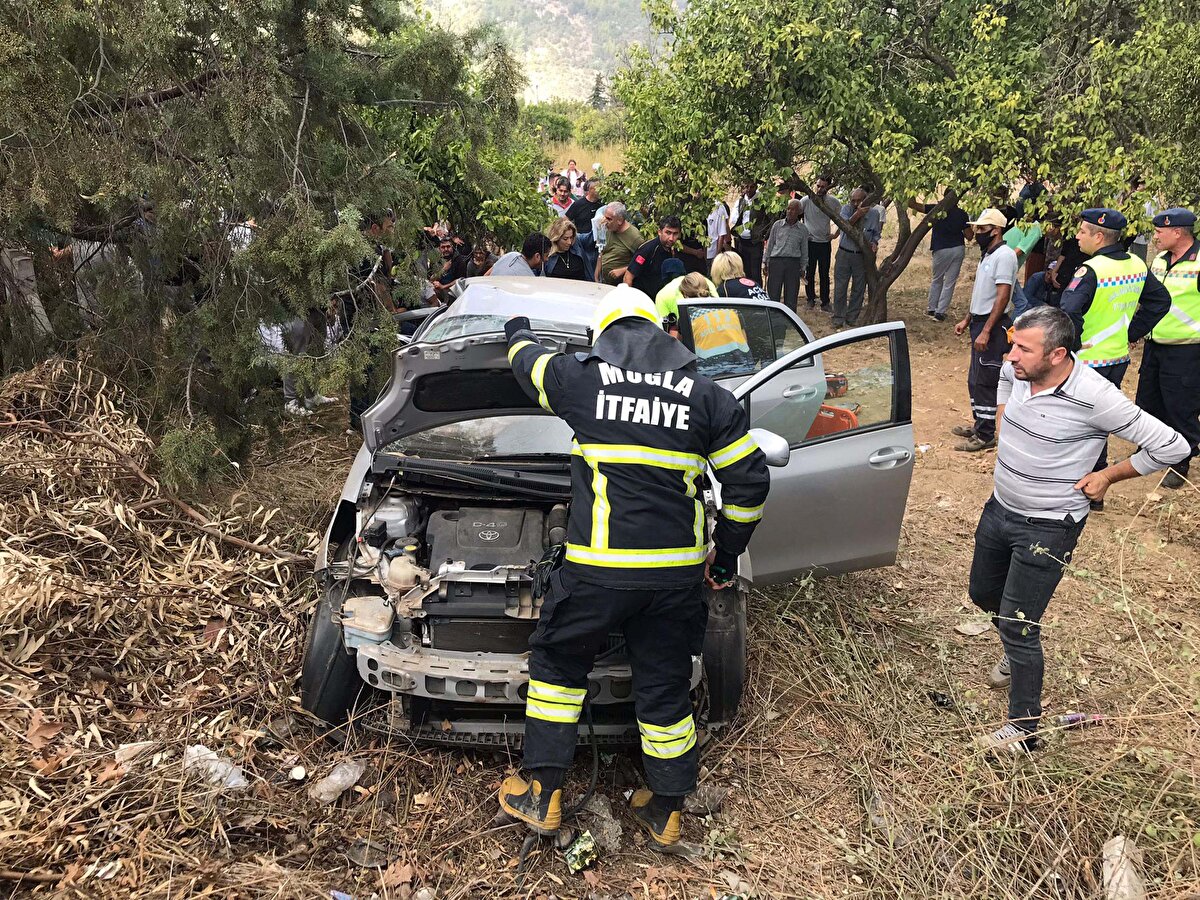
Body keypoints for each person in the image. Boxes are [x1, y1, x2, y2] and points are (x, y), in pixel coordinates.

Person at [498, 285, 770, 846]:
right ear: (661, 335)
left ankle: (543, 793)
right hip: (674, 579)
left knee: (557, 666)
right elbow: (748, 482)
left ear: (603, 338)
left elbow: (530, 366)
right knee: (664, 685)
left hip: (598, 573)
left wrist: (517, 331)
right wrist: (728, 550)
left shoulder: (583, 381)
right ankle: (665, 808)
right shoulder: (708, 398)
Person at [968, 306, 1188, 754]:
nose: (1010, 355)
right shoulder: (1019, 371)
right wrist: (1011, 409)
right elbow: (1009, 388)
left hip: (1048, 526)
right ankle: (1015, 655)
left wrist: (1108, 476)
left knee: (1019, 622)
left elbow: (1173, 444)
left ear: (1058, 354)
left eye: (1023, 349)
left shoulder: (1094, 395)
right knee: (982, 594)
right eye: (1012, 343)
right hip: (1000, 509)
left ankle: (1024, 729)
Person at [1058, 208, 1171, 499]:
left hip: (1086, 360)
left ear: (1099, 236)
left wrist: (1071, 344)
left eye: (1082, 231)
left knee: (1075, 422)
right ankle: (1096, 485)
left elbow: (1069, 310)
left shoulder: (1091, 270)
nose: (1077, 236)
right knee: (1099, 421)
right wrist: (1132, 333)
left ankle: (1078, 485)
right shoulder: (1136, 263)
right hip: (1117, 358)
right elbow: (1160, 300)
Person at [1136, 207, 1200, 489]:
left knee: (1181, 406)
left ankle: (1181, 461)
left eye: (1160, 232)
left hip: (1186, 349)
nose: (1155, 237)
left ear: (1178, 232)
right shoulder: (1160, 260)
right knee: (1148, 401)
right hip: (1154, 344)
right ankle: (1154, 451)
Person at [951, 208, 1018, 452]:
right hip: (979, 322)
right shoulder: (987, 254)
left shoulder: (1004, 255)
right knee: (975, 379)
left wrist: (987, 330)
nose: (977, 232)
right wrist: (968, 319)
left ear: (996, 230)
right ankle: (980, 423)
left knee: (987, 379)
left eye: (982, 229)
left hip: (992, 325)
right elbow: (982, 293)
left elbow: (1002, 296)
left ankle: (986, 433)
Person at [910, 194, 971, 322]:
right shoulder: (961, 214)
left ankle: (932, 308)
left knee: (937, 279)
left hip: (941, 248)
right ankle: (940, 312)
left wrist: (911, 192)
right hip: (958, 248)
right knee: (950, 282)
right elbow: (969, 235)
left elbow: (913, 205)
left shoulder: (937, 209)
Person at [832, 187, 882, 328]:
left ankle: (852, 318)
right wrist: (857, 214)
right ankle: (838, 317)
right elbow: (845, 225)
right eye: (853, 200)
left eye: (858, 201)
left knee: (858, 288)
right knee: (840, 287)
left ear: (866, 200)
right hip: (844, 253)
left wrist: (874, 243)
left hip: (861, 256)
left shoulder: (874, 214)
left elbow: (876, 233)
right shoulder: (846, 210)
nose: (855, 203)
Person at [801, 176, 840, 310]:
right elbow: (796, 216)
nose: (819, 189)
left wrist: (835, 234)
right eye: (818, 185)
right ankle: (810, 298)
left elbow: (843, 219)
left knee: (824, 273)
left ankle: (825, 302)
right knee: (809, 272)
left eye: (823, 186)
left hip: (824, 242)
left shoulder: (833, 202)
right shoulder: (806, 201)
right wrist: (803, 235)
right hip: (810, 243)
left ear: (828, 188)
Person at [764, 199, 810, 312]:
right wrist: (765, 261)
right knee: (773, 293)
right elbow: (770, 244)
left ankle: (790, 320)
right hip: (776, 261)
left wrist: (803, 267)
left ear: (799, 212)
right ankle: (773, 317)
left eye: (793, 209)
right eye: (788, 208)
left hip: (793, 263)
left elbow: (804, 250)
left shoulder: (803, 229)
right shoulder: (777, 225)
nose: (790, 211)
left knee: (791, 294)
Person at [625, 215, 683, 296]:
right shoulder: (647, 249)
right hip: (642, 298)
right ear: (659, 232)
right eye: (668, 233)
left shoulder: (671, 249)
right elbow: (628, 277)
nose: (671, 238)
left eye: (675, 234)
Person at [598, 202, 644, 285]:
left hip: (621, 286)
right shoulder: (608, 228)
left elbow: (643, 262)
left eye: (609, 219)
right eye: (604, 217)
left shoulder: (635, 237)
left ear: (620, 220)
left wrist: (623, 270)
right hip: (604, 283)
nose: (605, 221)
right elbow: (601, 251)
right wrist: (596, 275)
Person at [731, 181, 769, 282]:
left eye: (751, 187)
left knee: (755, 272)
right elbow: (734, 219)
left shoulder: (761, 201)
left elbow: (769, 220)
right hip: (742, 241)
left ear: (756, 187)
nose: (748, 189)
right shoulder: (741, 202)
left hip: (755, 242)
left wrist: (763, 234)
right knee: (744, 270)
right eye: (746, 187)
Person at [567, 179, 604, 277]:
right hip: (582, 242)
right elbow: (565, 221)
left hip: (597, 243)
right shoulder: (578, 204)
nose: (599, 191)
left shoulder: (602, 205)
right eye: (597, 188)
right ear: (590, 189)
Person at [431, 236, 470, 303]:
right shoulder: (437, 260)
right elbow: (431, 279)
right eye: (443, 247)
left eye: (448, 247)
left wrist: (443, 287)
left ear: (452, 247)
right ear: (439, 248)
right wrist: (443, 269)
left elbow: (460, 280)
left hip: (453, 290)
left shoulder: (459, 260)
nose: (446, 249)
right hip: (438, 289)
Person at [705, 200, 731, 272]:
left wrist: (717, 255)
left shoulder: (719, 207)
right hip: (698, 253)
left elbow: (721, 233)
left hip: (712, 253)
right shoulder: (694, 204)